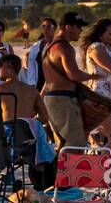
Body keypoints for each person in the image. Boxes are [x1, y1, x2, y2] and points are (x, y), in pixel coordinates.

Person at [42, 11, 100, 149]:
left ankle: (59, 170)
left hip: (52, 99)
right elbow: (73, 75)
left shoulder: (49, 46)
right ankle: (69, 171)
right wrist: (94, 76)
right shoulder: (65, 47)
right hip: (63, 100)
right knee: (75, 146)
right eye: (78, 27)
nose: (81, 30)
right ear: (68, 27)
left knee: (62, 145)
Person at [26, 16, 58, 89]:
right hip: (38, 84)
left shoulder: (59, 45)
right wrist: (31, 84)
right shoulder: (35, 47)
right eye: (44, 26)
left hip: (54, 85)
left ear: (54, 28)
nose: (46, 29)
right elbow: (31, 66)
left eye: (49, 26)